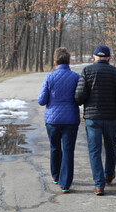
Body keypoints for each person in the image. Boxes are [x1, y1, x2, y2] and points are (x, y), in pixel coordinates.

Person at [75, 45, 116, 196]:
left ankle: (99, 185)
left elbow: (79, 97)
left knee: (95, 150)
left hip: (93, 119)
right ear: (109, 58)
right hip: (112, 119)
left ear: (94, 58)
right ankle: (109, 175)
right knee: (111, 147)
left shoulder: (87, 71)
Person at [37, 47, 80, 194]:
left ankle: (55, 176)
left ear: (55, 62)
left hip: (52, 120)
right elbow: (80, 99)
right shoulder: (76, 77)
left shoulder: (49, 78)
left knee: (55, 147)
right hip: (71, 120)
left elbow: (41, 101)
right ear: (69, 62)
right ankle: (65, 184)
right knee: (68, 151)